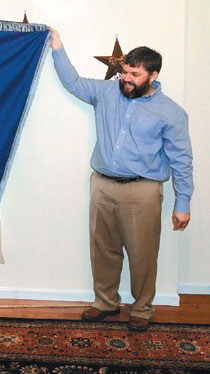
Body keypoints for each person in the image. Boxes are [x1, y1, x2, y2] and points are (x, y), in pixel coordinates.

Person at [49, 28, 193, 332]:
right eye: (125, 71)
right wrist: (57, 47)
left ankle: (141, 308)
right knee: (103, 248)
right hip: (102, 185)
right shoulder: (106, 92)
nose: (126, 79)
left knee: (142, 253)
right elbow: (72, 82)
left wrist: (183, 202)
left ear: (153, 76)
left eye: (134, 75)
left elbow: (181, 159)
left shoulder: (172, 113)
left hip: (143, 190)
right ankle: (105, 302)